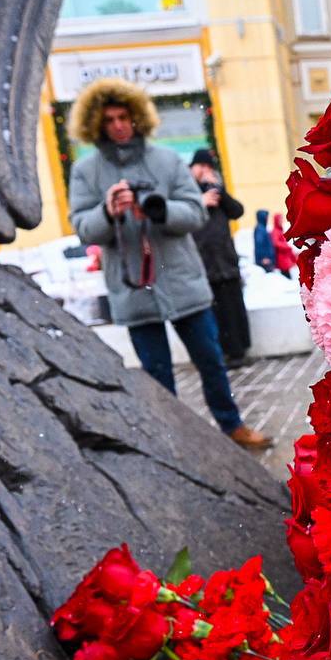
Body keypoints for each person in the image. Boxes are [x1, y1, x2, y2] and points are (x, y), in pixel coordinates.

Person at [66, 77, 271, 449]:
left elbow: (196, 212)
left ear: (137, 117)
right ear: (96, 123)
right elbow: (82, 228)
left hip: (181, 279)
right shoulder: (86, 171)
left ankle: (233, 425)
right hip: (132, 286)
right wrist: (107, 212)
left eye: (124, 117)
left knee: (211, 360)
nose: (118, 125)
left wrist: (160, 211)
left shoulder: (167, 160)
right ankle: (175, 441)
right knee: (157, 374)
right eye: (109, 119)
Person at [188, 149, 251, 368]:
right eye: (201, 166)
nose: (205, 171)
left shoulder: (216, 190)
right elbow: (181, 217)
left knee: (234, 308)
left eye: (208, 167)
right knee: (215, 313)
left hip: (226, 261)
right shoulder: (187, 191)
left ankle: (240, 351)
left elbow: (237, 211)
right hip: (203, 264)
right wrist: (200, 202)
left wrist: (220, 191)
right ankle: (222, 353)